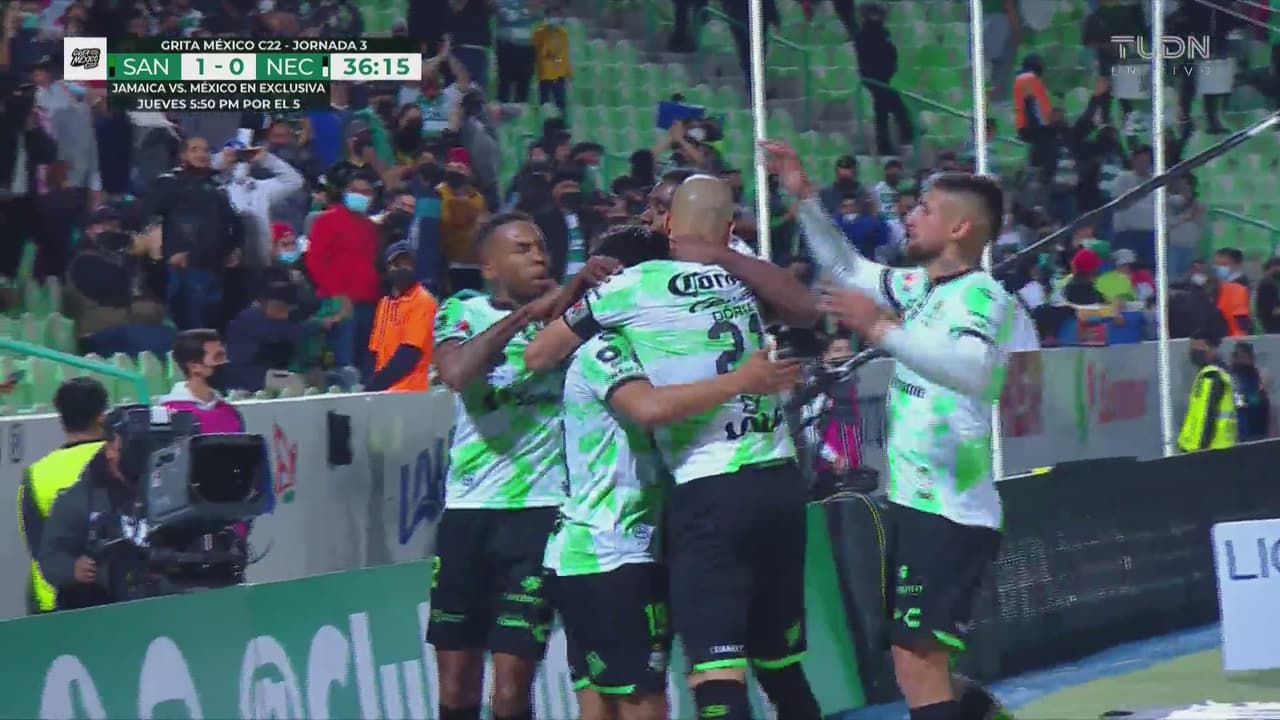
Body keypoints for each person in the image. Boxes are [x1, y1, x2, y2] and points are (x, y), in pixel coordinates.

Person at [523, 174, 823, 720]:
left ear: (667, 223)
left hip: (710, 490)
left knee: (715, 669)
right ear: (728, 229)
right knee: (779, 663)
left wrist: (583, 297)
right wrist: (724, 255)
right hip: (780, 479)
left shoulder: (629, 289)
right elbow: (806, 309)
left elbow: (539, 355)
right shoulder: (741, 278)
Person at [765, 139, 1014, 720]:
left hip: (950, 510)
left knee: (917, 661)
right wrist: (805, 199)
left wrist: (879, 329)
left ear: (959, 228)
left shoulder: (981, 294)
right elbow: (848, 269)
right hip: (918, 502)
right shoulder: (920, 288)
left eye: (924, 209)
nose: (910, 215)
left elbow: (974, 370)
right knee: (920, 664)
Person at [427, 212, 616, 720]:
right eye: (522, 249)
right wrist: (527, 314)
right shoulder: (462, 310)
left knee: (511, 689)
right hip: (468, 512)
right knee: (456, 688)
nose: (538, 257)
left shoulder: (569, 321)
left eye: (541, 248)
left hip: (539, 514)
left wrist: (568, 299)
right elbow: (457, 372)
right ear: (489, 267)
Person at [17, 378, 109, 614]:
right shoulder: (117, 460)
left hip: (50, 600)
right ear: (102, 415)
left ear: (61, 418)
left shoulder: (35, 473)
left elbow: (36, 543)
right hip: (111, 597)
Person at [147, 136, 245, 330]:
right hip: (185, 265)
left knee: (211, 323)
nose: (201, 154)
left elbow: (233, 220)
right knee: (190, 326)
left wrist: (237, 246)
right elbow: (152, 219)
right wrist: (169, 252)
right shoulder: (169, 183)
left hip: (215, 265)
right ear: (182, 155)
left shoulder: (215, 186)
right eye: (195, 149)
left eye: (205, 150)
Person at [367, 242, 438, 392]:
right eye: (397, 264)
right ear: (387, 268)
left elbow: (409, 354)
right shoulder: (385, 303)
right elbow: (375, 351)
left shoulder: (423, 301)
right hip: (386, 390)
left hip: (411, 391)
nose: (403, 269)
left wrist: (375, 385)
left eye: (407, 264)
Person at [160, 329, 244, 433]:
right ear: (194, 366)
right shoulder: (171, 415)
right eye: (218, 357)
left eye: (224, 357)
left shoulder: (231, 412)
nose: (225, 363)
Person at [1178, 331, 1238, 453]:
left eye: (1199, 350)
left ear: (1212, 349)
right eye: (1192, 349)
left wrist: (1200, 451)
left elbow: (1206, 416)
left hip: (1210, 449)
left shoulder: (1211, 376)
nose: (1194, 354)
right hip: (1212, 447)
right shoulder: (1213, 373)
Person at [1229, 341, 1270, 442]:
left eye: (1247, 357)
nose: (1244, 361)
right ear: (1235, 358)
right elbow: (1241, 406)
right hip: (1243, 435)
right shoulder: (1233, 378)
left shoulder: (1256, 375)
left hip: (1259, 432)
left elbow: (1261, 404)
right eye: (1241, 357)